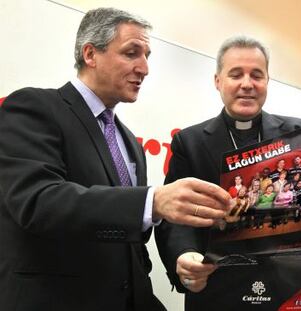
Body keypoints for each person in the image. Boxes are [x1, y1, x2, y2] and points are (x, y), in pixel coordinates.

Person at [0, 8, 231, 311]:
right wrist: (152, 202)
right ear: (90, 54)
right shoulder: (34, 107)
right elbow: (37, 201)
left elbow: (128, 244)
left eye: (147, 55)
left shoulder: (129, 142)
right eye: (131, 53)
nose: (144, 68)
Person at [155, 35, 301, 310]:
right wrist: (184, 254)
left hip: (297, 287)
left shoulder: (299, 131)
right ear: (218, 81)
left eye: (256, 75)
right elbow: (174, 217)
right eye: (235, 74)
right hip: (221, 288)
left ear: (267, 81)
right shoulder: (190, 142)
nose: (247, 84)